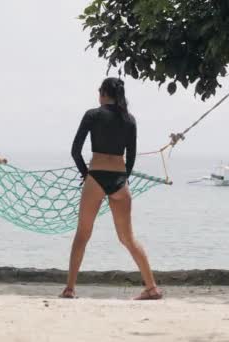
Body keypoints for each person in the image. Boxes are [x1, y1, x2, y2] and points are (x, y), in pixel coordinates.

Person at [61, 77, 162, 300]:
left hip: (96, 177)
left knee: (82, 235)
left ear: (104, 93)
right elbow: (132, 155)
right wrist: (124, 178)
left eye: (99, 90)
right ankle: (152, 288)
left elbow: (75, 150)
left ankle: (69, 289)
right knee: (128, 238)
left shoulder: (92, 114)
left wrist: (85, 174)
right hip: (119, 179)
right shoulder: (129, 119)